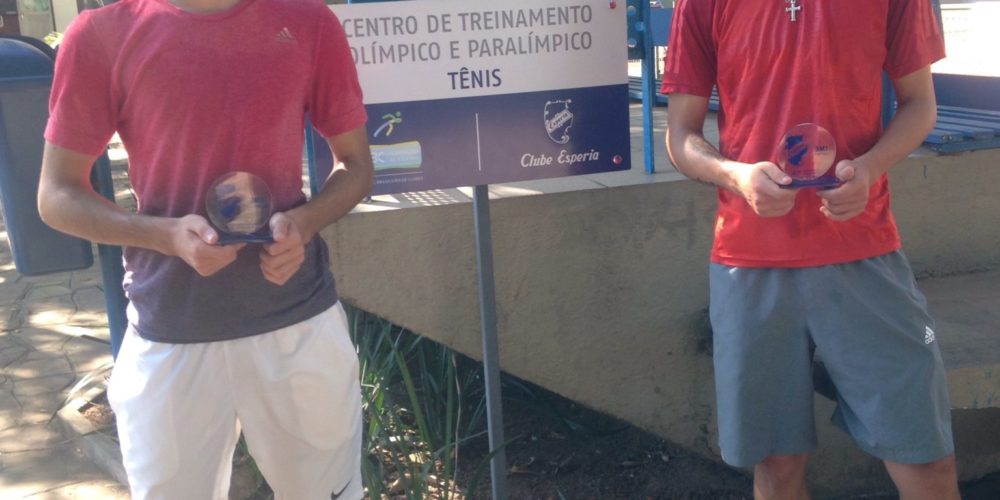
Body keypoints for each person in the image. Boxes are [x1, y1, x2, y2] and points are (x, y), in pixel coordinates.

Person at [37, 0, 373, 498]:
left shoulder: (308, 22)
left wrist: (304, 224)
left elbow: (356, 165)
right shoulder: (101, 34)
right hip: (170, 329)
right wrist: (164, 235)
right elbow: (56, 195)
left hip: (297, 325)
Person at [662, 1, 959, 499]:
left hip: (863, 250)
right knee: (777, 466)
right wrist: (735, 176)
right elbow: (680, 135)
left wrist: (870, 167)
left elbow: (920, 104)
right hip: (749, 258)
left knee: (926, 460)